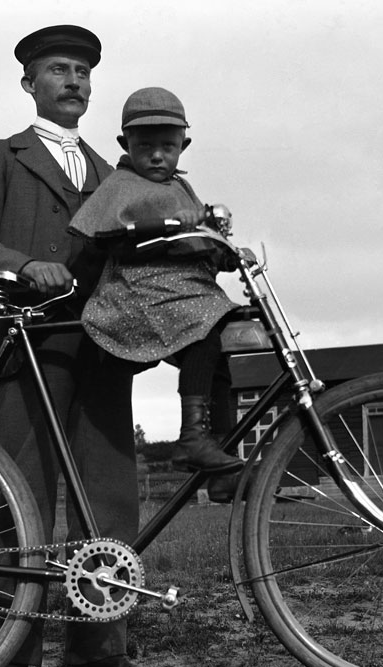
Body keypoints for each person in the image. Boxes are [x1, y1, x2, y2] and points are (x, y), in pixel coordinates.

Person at [0, 25, 165, 667]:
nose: (74, 81)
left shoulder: (114, 175)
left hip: (102, 349)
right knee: (25, 498)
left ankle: (101, 648)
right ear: (30, 83)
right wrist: (16, 264)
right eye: (59, 70)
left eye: (83, 72)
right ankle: (8, 654)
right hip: (32, 345)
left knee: (109, 499)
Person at [69, 87, 243, 477]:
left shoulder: (179, 187)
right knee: (205, 328)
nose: (157, 155)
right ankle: (191, 438)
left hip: (181, 290)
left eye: (168, 145)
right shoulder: (121, 185)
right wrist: (163, 228)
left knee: (219, 353)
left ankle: (221, 461)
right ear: (124, 143)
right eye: (145, 145)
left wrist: (222, 249)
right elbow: (108, 237)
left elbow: (199, 240)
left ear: (184, 144)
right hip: (138, 290)